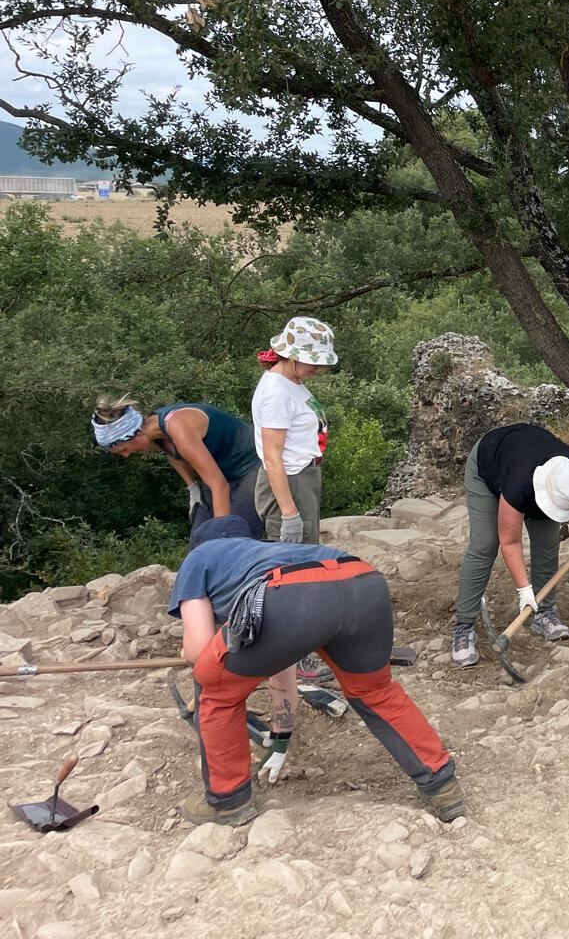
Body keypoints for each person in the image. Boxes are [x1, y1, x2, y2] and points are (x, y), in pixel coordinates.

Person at [169, 521, 464, 827]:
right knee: (375, 691)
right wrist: (281, 738)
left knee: (214, 688)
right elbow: (279, 664)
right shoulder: (269, 551)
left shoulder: (198, 558)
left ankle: (226, 800)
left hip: (289, 595)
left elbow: (199, 648)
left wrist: (192, 654)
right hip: (362, 580)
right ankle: (442, 785)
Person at [450, 424, 569, 668]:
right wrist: (524, 591)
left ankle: (545, 613)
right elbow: (510, 541)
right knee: (485, 544)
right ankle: (463, 626)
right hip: (488, 467)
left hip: (533, 466)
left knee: (547, 543)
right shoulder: (518, 483)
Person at [91, 396, 263, 539]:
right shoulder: (156, 430)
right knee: (201, 534)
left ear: (135, 432)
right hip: (224, 473)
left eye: (124, 449)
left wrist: (223, 536)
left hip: (253, 465)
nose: (127, 455)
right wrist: (193, 487)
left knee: (235, 534)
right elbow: (175, 456)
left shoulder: (178, 428)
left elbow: (219, 486)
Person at [252, 316, 335, 544]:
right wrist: (289, 513)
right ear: (292, 356)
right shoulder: (276, 392)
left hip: (302, 477)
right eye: (313, 361)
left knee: (306, 550)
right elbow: (272, 457)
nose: (318, 368)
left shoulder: (290, 382)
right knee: (294, 560)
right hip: (289, 481)